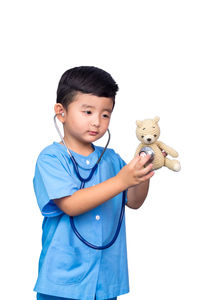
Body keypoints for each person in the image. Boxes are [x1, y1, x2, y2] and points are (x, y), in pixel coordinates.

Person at [33, 66, 154, 300]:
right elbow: (71, 205)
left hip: (106, 281)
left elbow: (134, 201)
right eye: (87, 112)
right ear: (61, 112)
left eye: (105, 114)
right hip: (62, 284)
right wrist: (121, 180)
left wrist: (143, 173)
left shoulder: (111, 159)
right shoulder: (51, 158)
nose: (97, 122)